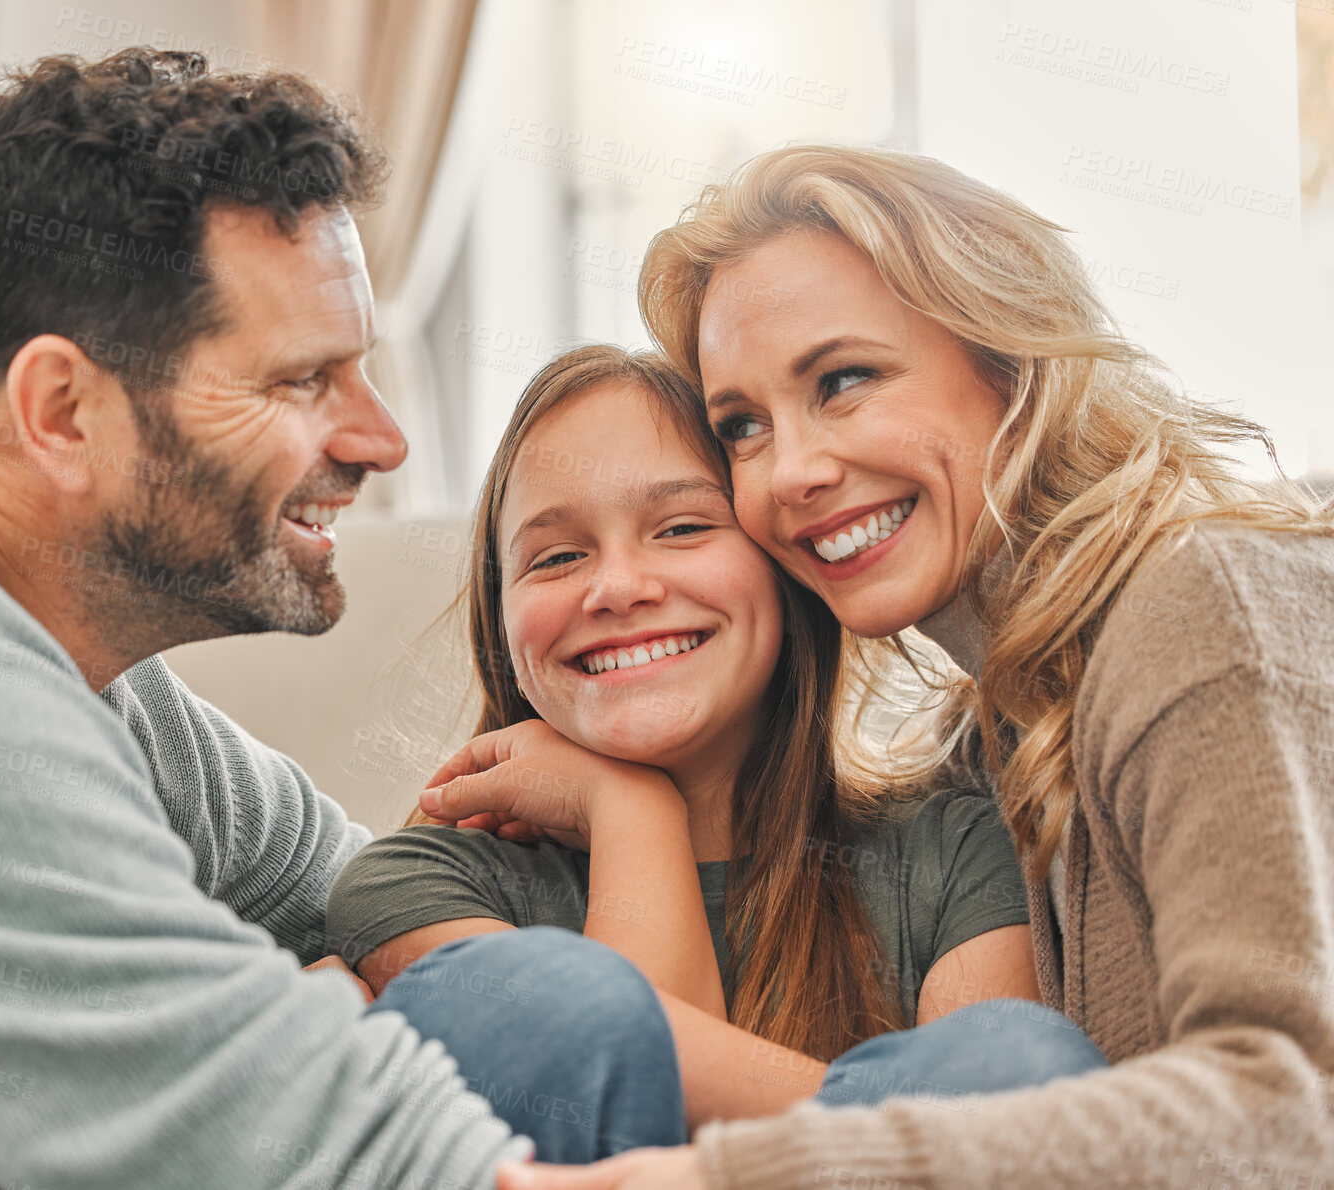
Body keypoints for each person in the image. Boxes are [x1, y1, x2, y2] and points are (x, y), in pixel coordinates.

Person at [0, 50, 686, 1190]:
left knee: (544, 1010)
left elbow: (372, 906)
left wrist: (613, 805)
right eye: (302, 381)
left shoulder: (69, 662)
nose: (381, 438)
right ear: (61, 410)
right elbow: (382, 1164)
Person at [500, 144, 1334, 1188]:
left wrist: (737, 1174)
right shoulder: (991, 734)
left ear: (1009, 353)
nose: (793, 471)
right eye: (743, 427)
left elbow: (1289, 1112)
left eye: (844, 380)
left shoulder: (1204, 601)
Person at [328, 344, 1106, 1147]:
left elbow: (1005, 1136)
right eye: (557, 556)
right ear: (502, 621)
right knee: (535, 1000)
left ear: (785, 571)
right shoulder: (416, 885)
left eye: (684, 527)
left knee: (1014, 1058)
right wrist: (632, 810)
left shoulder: (956, 855)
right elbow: (619, 1072)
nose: (619, 587)